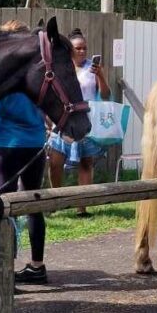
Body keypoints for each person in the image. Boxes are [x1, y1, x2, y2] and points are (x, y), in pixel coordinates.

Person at [0, 20, 51, 284]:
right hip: (35, 143)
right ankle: (37, 265)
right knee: (33, 203)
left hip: (7, 145)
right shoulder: (37, 72)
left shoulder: (1, 74)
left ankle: (3, 269)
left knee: (2, 206)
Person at [46, 29, 109, 216]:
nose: (82, 51)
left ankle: (82, 207)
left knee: (85, 163)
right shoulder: (61, 67)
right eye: (78, 48)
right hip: (63, 121)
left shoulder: (92, 68)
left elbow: (106, 95)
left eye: (84, 48)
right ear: (70, 50)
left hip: (84, 121)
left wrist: (100, 75)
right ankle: (55, 201)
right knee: (55, 162)